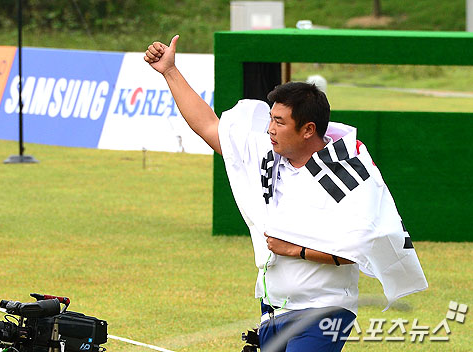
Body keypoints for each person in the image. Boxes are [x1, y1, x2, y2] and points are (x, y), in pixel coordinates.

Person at [144, 36, 427, 352]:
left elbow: (362, 248)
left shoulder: (346, 172)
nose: (270, 130)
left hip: (326, 310)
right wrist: (169, 71)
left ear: (307, 129)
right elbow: (209, 126)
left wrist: (297, 250)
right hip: (272, 309)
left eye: (279, 122)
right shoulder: (266, 155)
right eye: (270, 120)